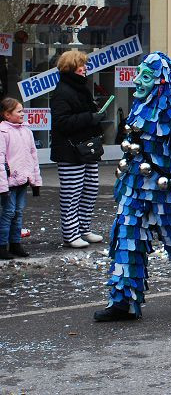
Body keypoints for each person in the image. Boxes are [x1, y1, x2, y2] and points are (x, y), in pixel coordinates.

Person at [94, 52, 171, 321]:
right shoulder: (141, 105)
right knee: (127, 238)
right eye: (139, 74)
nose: (138, 80)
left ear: (161, 80)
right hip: (136, 185)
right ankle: (123, 300)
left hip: (165, 189)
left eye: (146, 76)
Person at [50, 50, 108, 248]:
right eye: (81, 65)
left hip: (86, 148)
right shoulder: (62, 91)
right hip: (70, 150)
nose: (85, 69)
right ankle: (70, 233)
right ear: (71, 68)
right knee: (72, 193)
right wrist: (90, 118)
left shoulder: (81, 88)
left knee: (90, 189)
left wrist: (96, 116)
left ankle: (83, 228)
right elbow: (61, 122)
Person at [0, 98, 41, 260]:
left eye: (23, 110)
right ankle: (2, 246)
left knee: (18, 212)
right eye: (19, 111)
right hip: (9, 181)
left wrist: (36, 180)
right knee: (8, 212)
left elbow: (33, 156)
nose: (22, 114)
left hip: (23, 180)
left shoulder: (26, 131)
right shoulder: (3, 132)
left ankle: (15, 244)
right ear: (7, 115)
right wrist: (2, 186)